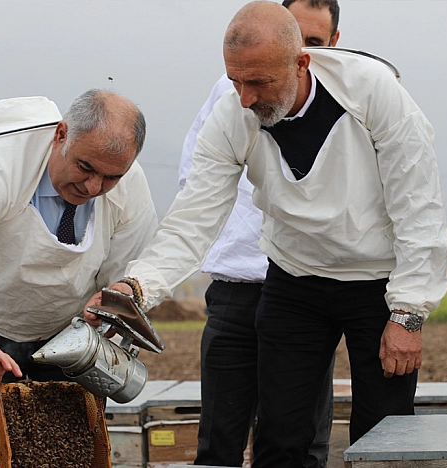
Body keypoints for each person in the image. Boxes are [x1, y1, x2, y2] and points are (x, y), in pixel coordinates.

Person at [87, 2, 447, 466]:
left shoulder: (372, 91)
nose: (245, 97)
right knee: (281, 435)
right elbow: (194, 219)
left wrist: (409, 313)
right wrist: (135, 288)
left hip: (376, 280)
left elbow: (418, 204)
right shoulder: (231, 116)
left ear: (301, 63)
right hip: (295, 280)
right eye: (235, 81)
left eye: (258, 82)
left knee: (385, 434)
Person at [0, 90, 158, 467]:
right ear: (61, 135)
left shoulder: (129, 185)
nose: (93, 187)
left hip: (71, 338)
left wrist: (115, 302)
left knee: (72, 455)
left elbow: (131, 266)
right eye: (85, 167)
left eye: (110, 177)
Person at [178, 1, 340, 466]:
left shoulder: (348, 100)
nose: (304, 49)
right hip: (238, 287)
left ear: (331, 44)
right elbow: (196, 181)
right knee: (219, 440)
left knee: (301, 440)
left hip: (306, 294)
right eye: (296, 34)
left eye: (314, 42)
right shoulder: (232, 93)